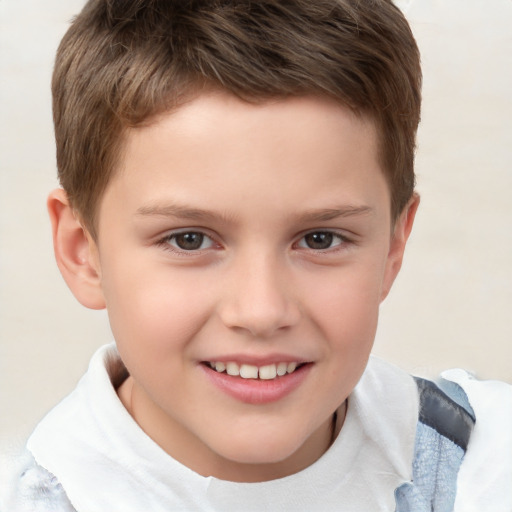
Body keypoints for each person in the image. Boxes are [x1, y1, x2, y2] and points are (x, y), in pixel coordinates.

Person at [2, 0, 510, 510]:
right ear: (82, 250)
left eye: (320, 239)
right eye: (189, 240)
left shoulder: (486, 466)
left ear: (393, 248)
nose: (261, 311)